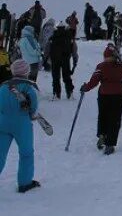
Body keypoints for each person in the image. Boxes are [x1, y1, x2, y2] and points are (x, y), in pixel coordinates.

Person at [0, 59, 41, 193]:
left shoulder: (3, 87)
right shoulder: (30, 87)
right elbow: (33, 110)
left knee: (0, 154)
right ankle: (25, 183)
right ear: (26, 72)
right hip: (22, 125)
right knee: (26, 153)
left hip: (2, 123)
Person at [81, 45, 122, 154]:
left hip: (103, 94)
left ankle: (102, 134)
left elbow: (94, 81)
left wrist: (86, 87)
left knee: (103, 115)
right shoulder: (121, 66)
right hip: (118, 94)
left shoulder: (101, 66)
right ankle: (110, 143)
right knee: (114, 119)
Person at [48, 24, 77, 100]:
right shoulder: (69, 36)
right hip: (66, 59)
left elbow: (47, 49)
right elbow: (74, 50)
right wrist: (75, 60)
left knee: (55, 76)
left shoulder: (53, 37)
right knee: (67, 76)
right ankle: (69, 92)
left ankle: (56, 93)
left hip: (55, 59)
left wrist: (46, 60)